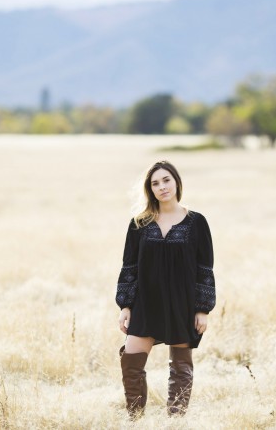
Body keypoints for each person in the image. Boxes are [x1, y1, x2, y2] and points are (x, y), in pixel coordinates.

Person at [115, 160, 216, 418]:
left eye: (166, 180)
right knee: (131, 362)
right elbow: (130, 267)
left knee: (181, 367)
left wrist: (202, 309)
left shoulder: (197, 222)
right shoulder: (139, 224)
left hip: (181, 303)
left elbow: (204, 268)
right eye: (155, 183)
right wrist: (126, 305)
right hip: (146, 303)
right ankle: (135, 419)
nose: (162, 187)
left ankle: (175, 421)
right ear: (150, 189)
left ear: (177, 182)